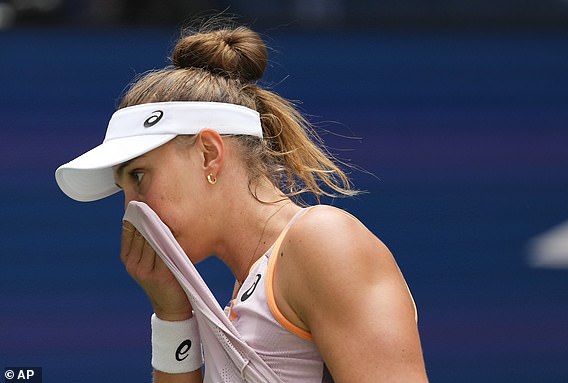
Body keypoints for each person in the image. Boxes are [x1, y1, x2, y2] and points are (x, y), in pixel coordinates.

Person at [55, 16, 428, 383]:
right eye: (124, 190)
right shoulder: (248, 287)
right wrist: (171, 314)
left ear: (208, 154)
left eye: (139, 176)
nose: (132, 212)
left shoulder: (324, 241)